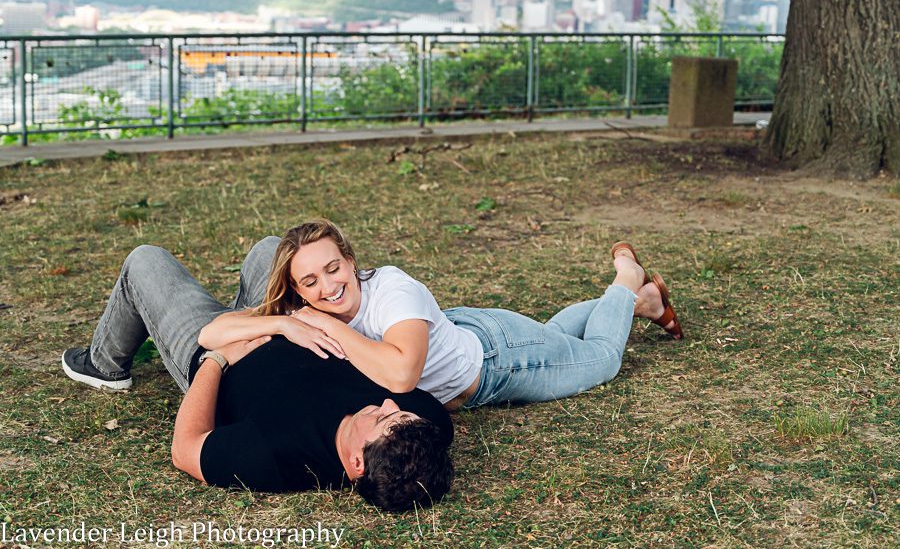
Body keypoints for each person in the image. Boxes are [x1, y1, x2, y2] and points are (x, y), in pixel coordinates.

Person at [60, 245, 454, 512]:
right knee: (273, 249)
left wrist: (215, 359)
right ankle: (246, 308)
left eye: (382, 418)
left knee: (147, 261)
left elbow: (185, 450)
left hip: (219, 350)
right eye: (396, 411)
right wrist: (282, 323)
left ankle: (103, 364)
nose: (391, 403)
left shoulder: (276, 458)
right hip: (283, 319)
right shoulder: (423, 428)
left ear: (356, 463)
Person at [201, 219, 684, 411]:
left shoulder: (390, 287)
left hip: (500, 361)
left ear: (350, 260)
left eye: (334, 269)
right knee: (557, 335)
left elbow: (402, 374)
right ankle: (642, 303)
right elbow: (211, 333)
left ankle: (627, 278)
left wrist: (324, 325)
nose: (328, 287)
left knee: (601, 358)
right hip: (459, 332)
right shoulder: (299, 307)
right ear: (296, 288)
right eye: (311, 282)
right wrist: (283, 322)